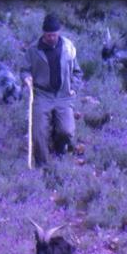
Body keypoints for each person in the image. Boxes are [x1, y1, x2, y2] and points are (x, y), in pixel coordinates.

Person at [21, 13, 84, 168]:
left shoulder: (68, 48)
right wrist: (26, 78)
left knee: (67, 131)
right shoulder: (33, 50)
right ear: (43, 33)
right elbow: (24, 70)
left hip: (64, 95)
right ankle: (43, 164)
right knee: (38, 133)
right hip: (42, 95)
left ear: (59, 32)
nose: (51, 38)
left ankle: (59, 148)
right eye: (48, 35)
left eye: (54, 35)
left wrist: (73, 88)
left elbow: (77, 72)